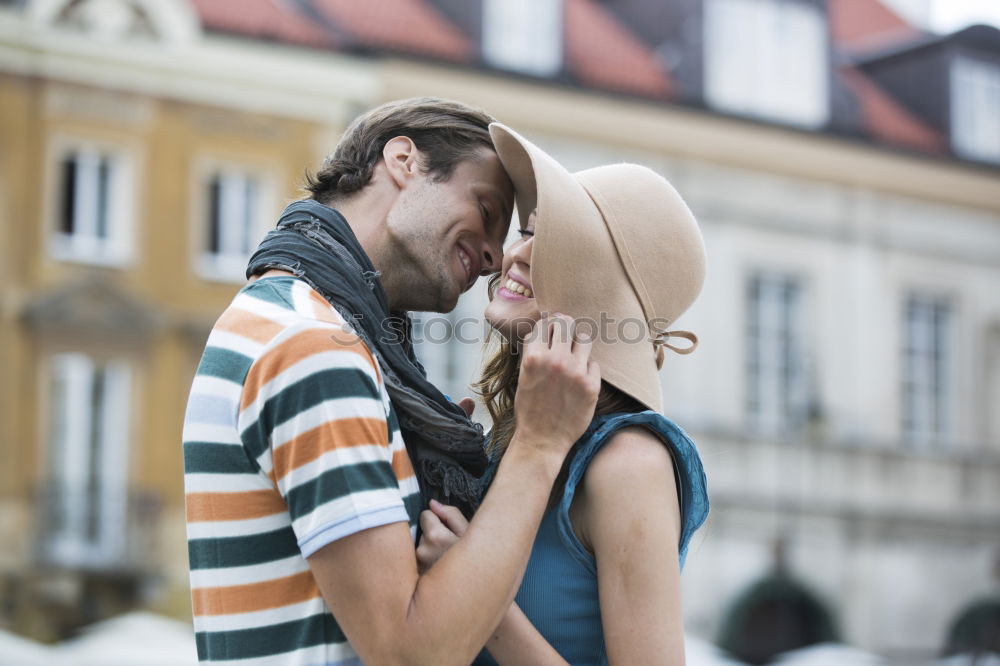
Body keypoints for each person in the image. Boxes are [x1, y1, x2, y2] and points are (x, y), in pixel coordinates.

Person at [182, 99, 601, 665]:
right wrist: (540, 443)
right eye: (486, 207)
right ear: (404, 160)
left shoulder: (293, 322)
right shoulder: (313, 349)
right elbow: (409, 653)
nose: (495, 257)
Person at [416, 123, 711, 665]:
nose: (516, 254)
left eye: (553, 238)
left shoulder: (628, 463)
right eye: (525, 232)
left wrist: (477, 593)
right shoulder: (519, 440)